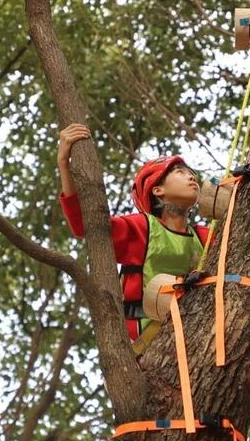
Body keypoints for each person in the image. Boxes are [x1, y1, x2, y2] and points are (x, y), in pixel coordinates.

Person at [58, 123, 209, 346]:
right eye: (180, 173)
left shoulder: (202, 236)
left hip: (193, 336)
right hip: (143, 341)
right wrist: (64, 164)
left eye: (191, 173)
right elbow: (84, 226)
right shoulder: (141, 228)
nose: (191, 177)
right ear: (158, 190)